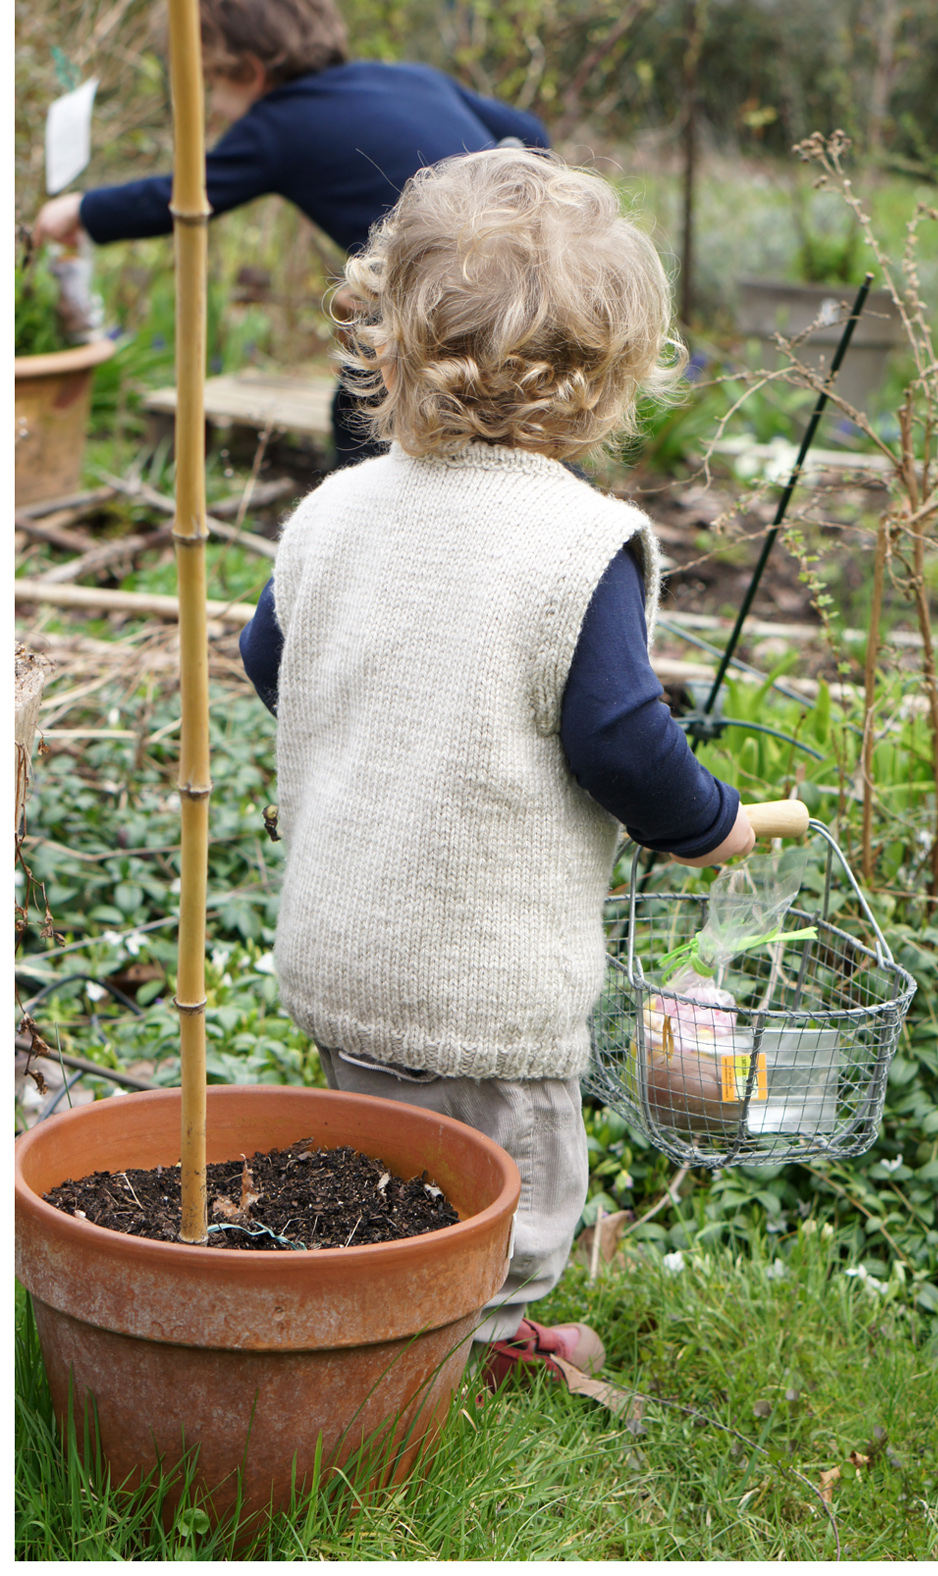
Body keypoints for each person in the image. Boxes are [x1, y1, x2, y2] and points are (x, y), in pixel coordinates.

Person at [239, 147, 756, 1389]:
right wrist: (707, 823)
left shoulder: (336, 510)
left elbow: (275, 663)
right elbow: (621, 738)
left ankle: (371, 1309)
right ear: (608, 378)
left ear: (387, 336)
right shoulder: (576, 545)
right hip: (483, 975)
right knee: (511, 1188)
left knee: (375, 1161)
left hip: (343, 933)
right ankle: (462, 1347)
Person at [32, 0, 550, 468]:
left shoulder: (276, 126)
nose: (210, 105)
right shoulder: (410, 76)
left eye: (211, 84)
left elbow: (183, 195)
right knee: (505, 414)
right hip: (522, 278)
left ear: (250, 71)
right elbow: (530, 131)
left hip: (429, 298)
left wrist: (82, 210)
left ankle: (364, 532)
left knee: (362, 414)